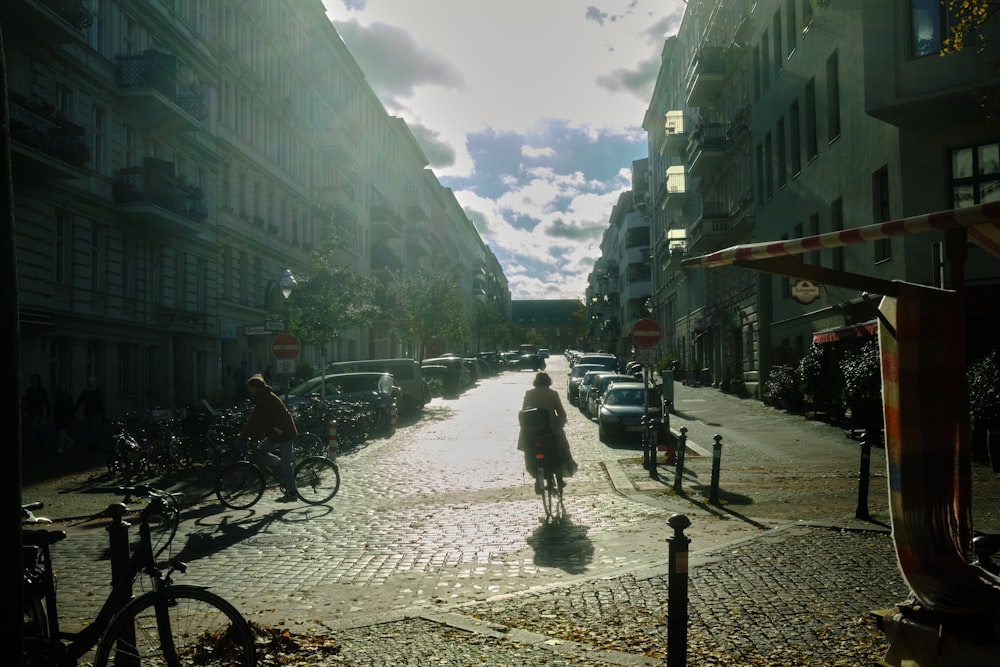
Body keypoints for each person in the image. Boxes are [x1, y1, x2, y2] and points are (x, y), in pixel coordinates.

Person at [239, 373, 298, 501]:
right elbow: (254, 419)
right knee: (259, 451)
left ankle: (292, 493)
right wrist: (243, 436)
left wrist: (253, 439)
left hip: (285, 433)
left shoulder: (268, 399)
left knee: (286, 466)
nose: (249, 390)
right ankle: (277, 462)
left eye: (250, 387)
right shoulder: (262, 398)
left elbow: (262, 423)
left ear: (256, 387)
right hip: (275, 434)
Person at [520, 371, 578, 487]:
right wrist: (560, 423)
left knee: (529, 451)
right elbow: (561, 413)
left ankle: (537, 479)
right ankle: (560, 479)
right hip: (550, 432)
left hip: (531, 432)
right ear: (548, 381)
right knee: (559, 451)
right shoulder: (553, 394)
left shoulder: (529, 393)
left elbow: (524, 412)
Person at [75, 377, 106, 451]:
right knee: (90, 430)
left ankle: (92, 446)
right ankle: (94, 445)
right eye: (90, 382)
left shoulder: (98, 392)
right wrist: (75, 409)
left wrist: (102, 412)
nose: (91, 384)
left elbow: (102, 402)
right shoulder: (85, 392)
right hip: (88, 413)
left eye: (92, 382)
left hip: (95, 413)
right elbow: (80, 400)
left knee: (93, 430)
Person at [21, 374, 50, 450]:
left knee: (34, 427)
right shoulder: (29, 390)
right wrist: (24, 411)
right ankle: (35, 443)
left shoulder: (42, 390)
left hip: (38, 412)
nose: (33, 382)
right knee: (32, 428)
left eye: (34, 380)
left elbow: (46, 402)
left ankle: (35, 443)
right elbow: (25, 401)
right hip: (30, 412)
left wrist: (48, 413)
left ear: (38, 381)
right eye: (31, 380)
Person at [53, 382, 76, 453]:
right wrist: (54, 415)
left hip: (66, 417)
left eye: (63, 387)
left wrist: (71, 417)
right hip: (59, 417)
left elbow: (71, 408)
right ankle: (70, 441)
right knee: (61, 433)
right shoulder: (57, 397)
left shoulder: (69, 397)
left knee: (62, 433)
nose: (62, 389)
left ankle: (61, 448)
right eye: (61, 387)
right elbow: (56, 407)